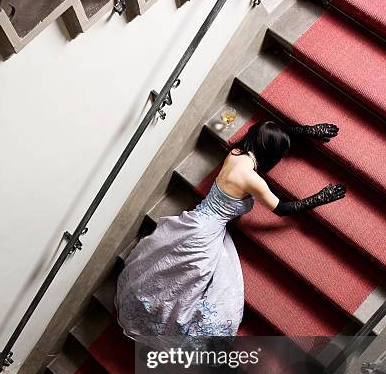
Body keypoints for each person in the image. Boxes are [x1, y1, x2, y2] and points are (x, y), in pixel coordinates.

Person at [114, 120, 345, 348]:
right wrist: (320, 198)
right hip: (205, 236)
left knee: (162, 262)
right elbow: (282, 209)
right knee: (192, 284)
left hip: (196, 220)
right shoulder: (253, 180)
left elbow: (270, 132)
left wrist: (306, 130)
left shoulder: (235, 153)